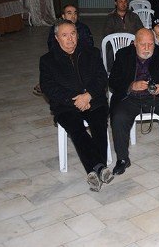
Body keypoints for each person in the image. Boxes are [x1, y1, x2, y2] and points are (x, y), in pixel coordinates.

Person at [40, 19, 113, 191]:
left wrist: (87, 96)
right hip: (65, 105)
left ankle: (95, 171)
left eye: (73, 34)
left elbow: (101, 78)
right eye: (64, 35)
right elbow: (49, 88)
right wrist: (76, 100)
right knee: (76, 129)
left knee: (99, 124)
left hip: (93, 100)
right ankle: (100, 168)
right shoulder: (47, 60)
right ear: (57, 38)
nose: (70, 38)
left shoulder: (92, 53)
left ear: (77, 35)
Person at [109, 28, 159, 175]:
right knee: (119, 117)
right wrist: (131, 86)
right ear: (134, 44)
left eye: (150, 44)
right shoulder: (123, 55)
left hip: (156, 97)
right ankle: (122, 159)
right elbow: (113, 81)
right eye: (142, 44)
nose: (146, 48)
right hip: (130, 98)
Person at [35, 4, 96, 96]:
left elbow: (89, 46)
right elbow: (52, 47)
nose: (73, 16)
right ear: (63, 16)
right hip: (63, 58)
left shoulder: (83, 28)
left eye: (75, 13)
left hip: (80, 58)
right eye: (69, 13)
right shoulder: (56, 29)